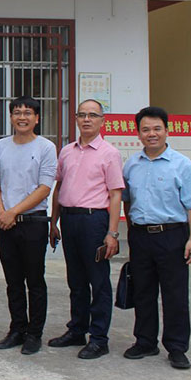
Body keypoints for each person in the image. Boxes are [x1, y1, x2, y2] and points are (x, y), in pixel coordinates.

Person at [122, 106, 191, 370]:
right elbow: (127, 201)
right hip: (140, 236)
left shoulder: (182, 165)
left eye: (157, 128)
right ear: (138, 133)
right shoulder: (131, 165)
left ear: (167, 131)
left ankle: (177, 347)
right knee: (143, 291)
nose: (152, 134)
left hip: (172, 236)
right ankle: (145, 341)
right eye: (146, 129)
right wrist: (131, 231)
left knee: (175, 294)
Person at [48, 99, 123, 359]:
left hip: (94, 221)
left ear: (102, 120)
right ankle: (77, 330)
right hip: (69, 220)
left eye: (93, 115)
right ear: (76, 119)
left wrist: (112, 233)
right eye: (82, 115)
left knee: (98, 281)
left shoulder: (109, 153)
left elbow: (115, 194)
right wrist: (53, 222)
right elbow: (59, 187)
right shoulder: (67, 151)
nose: (87, 119)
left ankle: (99, 338)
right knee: (76, 280)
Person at [0, 96, 57, 355]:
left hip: (33, 223)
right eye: (17, 112)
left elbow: (44, 188)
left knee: (35, 280)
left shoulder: (46, 147)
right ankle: (17, 329)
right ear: (11, 117)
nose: (22, 117)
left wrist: (13, 212)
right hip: (6, 224)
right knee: (13, 281)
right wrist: (1, 213)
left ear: (37, 118)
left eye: (28, 113)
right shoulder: (1, 146)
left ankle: (34, 333)